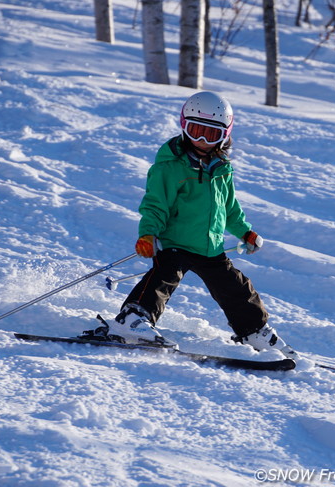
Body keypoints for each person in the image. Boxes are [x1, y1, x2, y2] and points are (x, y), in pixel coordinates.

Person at [83, 91, 296, 359]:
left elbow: (229, 207)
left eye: (211, 134)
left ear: (225, 135)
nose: (203, 141)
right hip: (175, 242)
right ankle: (133, 318)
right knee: (162, 279)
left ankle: (254, 330)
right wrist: (148, 234)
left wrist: (245, 231)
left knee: (237, 288)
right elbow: (155, 204)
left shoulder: (222, 168)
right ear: (184, 126)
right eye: (196, 131)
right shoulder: (170, 167)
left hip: (210, 248)